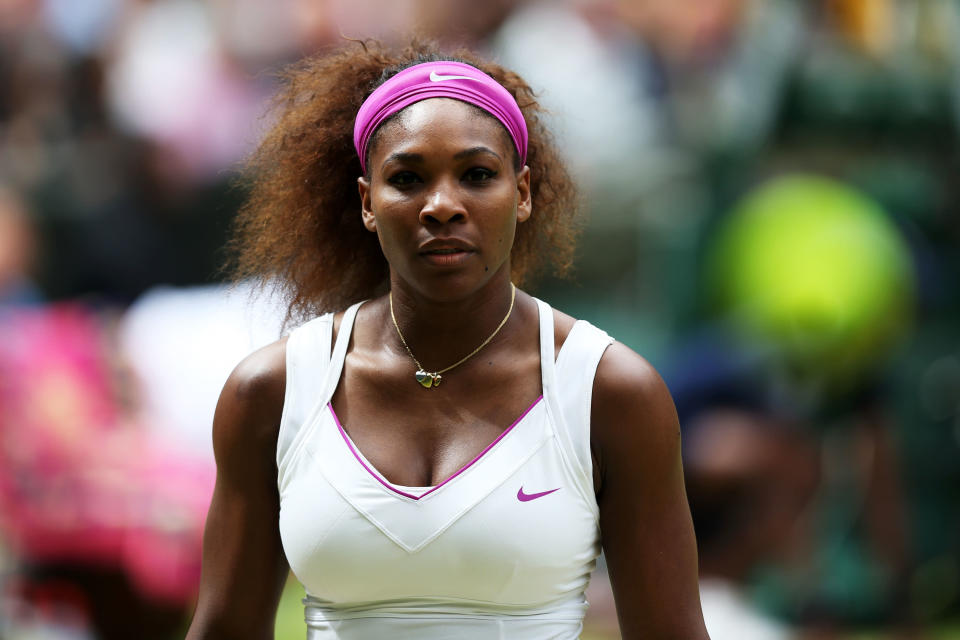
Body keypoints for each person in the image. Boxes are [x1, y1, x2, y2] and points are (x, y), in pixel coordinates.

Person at [185, 40, 709, 640]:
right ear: (367, 203)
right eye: (407, 178)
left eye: (477, 175)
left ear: (523, 193)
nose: (441, 206)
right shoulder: (272, 392)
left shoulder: (611, 393)